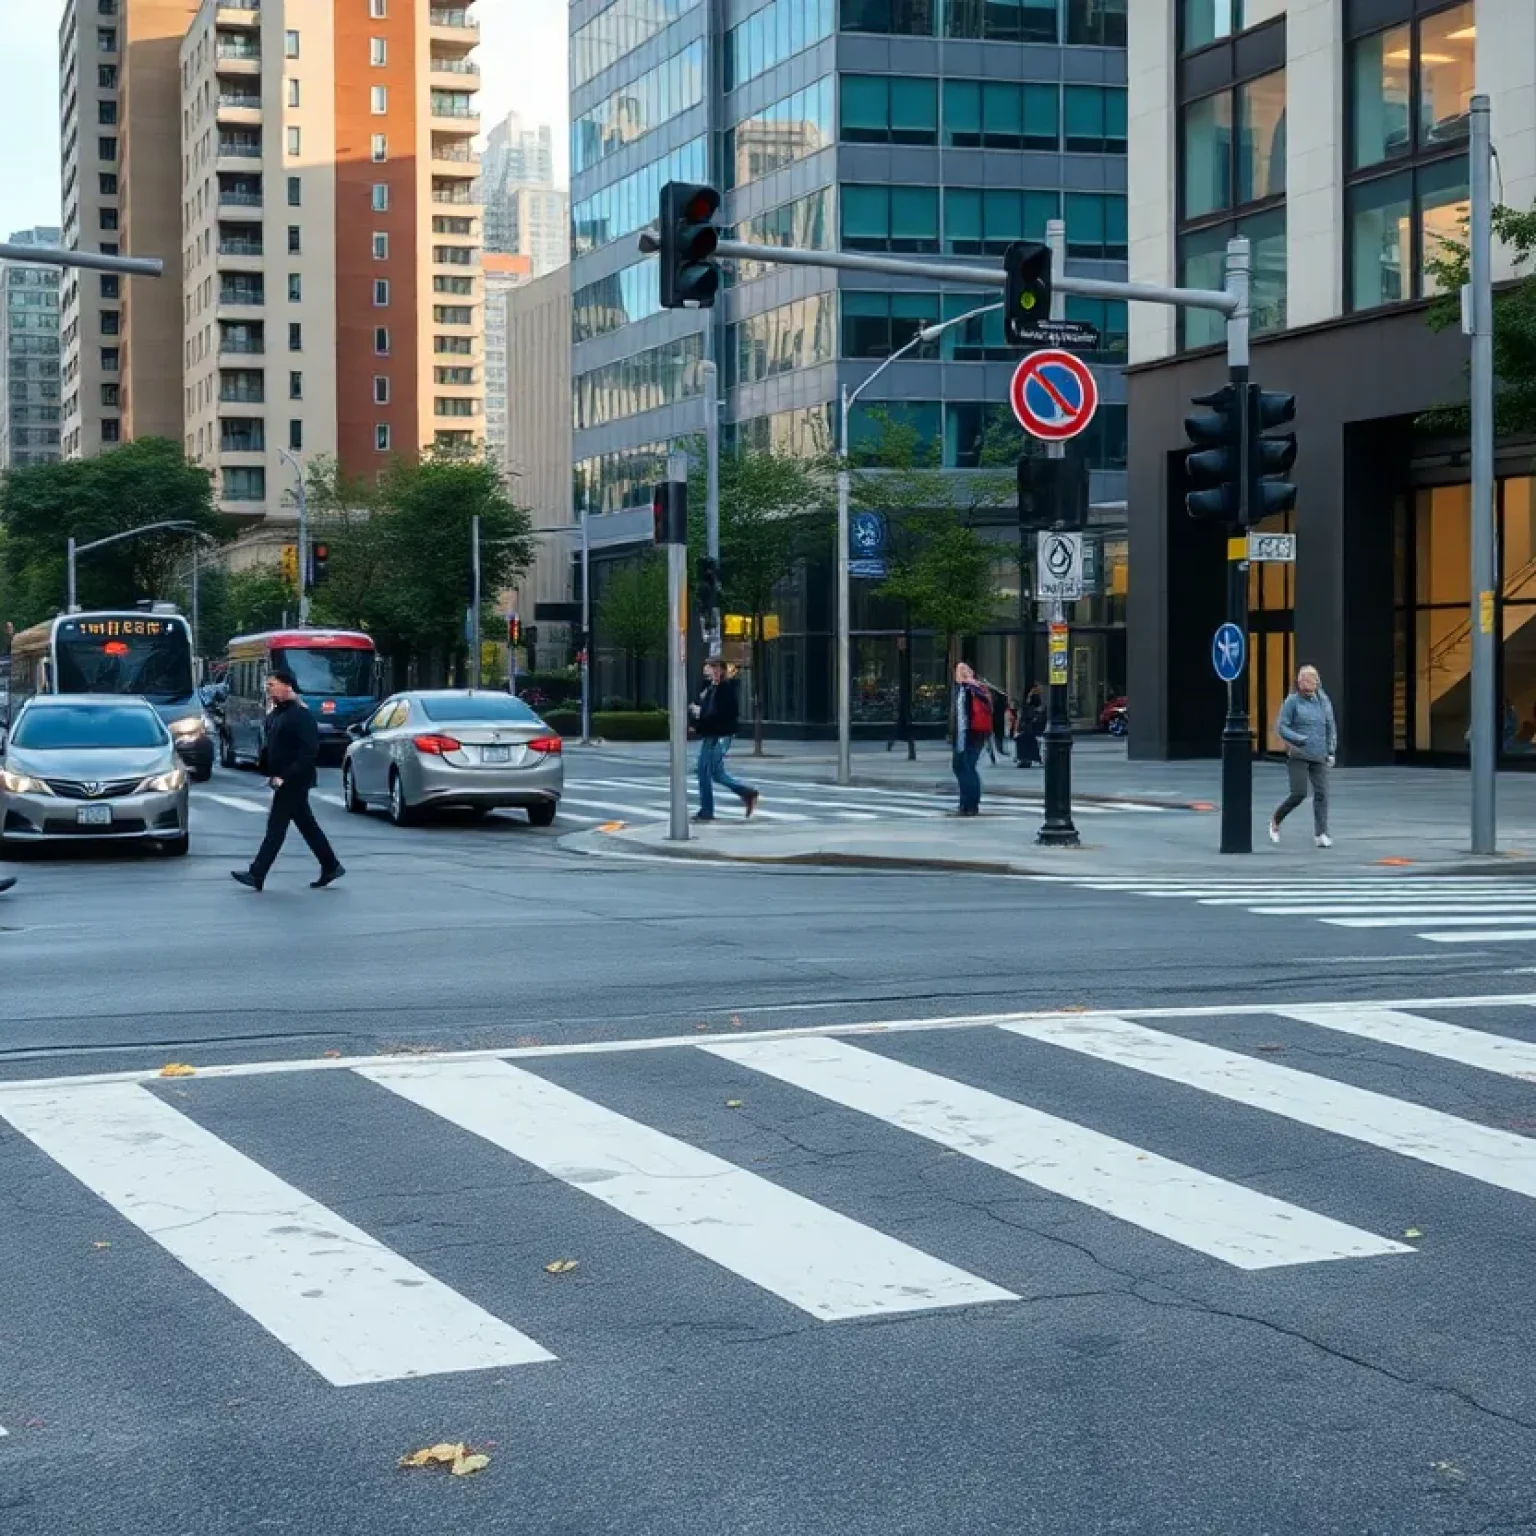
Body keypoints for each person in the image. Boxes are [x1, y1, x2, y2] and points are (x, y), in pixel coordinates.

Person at [232, 668, 345, 890]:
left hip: (294, 780)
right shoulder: (278, 713)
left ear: (287, 686)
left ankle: (257, 873)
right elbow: (272, 744)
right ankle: (331, 865)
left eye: (272, 684)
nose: (268, 688)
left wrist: (284, 776)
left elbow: (308, 752)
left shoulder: (300, 716)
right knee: (307, 826)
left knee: (276, 829)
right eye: (268, 685)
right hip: (283, 779)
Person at [1269, 663, 1337, 849]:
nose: (1305, 682)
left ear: (1317, 681)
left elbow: (1330, 726)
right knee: (1299, 793)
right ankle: (1276, 820)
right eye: (1301, 679)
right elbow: (1281, 726)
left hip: (1319, 755)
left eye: (1309, 679)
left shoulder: (1323, 701)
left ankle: (1321, 833)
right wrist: (1299, 739)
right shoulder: (1292, 701)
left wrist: (1331, 751)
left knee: (1322, 794)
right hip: (1298, 754)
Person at [688, 656, 760, 823]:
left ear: (720, 670)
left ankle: (707, 810)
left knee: (704, 771)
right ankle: (747, 792)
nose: (707, 669)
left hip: (719, 736)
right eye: (707, 666)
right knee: (716, 773)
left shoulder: (725, 689)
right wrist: (696, 717)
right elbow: (702, 707)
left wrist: (701, 713)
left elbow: (724, 713)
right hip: (711, 734)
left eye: (712, 666)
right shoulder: (708, 688)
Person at [951, 662, 991, 816]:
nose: (958, 673)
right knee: (966, 767)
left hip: (968, 735)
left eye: (960, 670)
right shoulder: (978, 688)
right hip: (976, 734)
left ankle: (968, 804)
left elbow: (961, 717)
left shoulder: (966, 689)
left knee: (964, 767)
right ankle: (969, 803)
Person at [1015, 685, 1043, 768]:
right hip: (1029, 727)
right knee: (1029, 743)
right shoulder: (1031, 705)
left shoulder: (1029, 704)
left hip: (1028, 727)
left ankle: (1025, 760)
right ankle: (1026, 760)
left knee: (1026, 743)